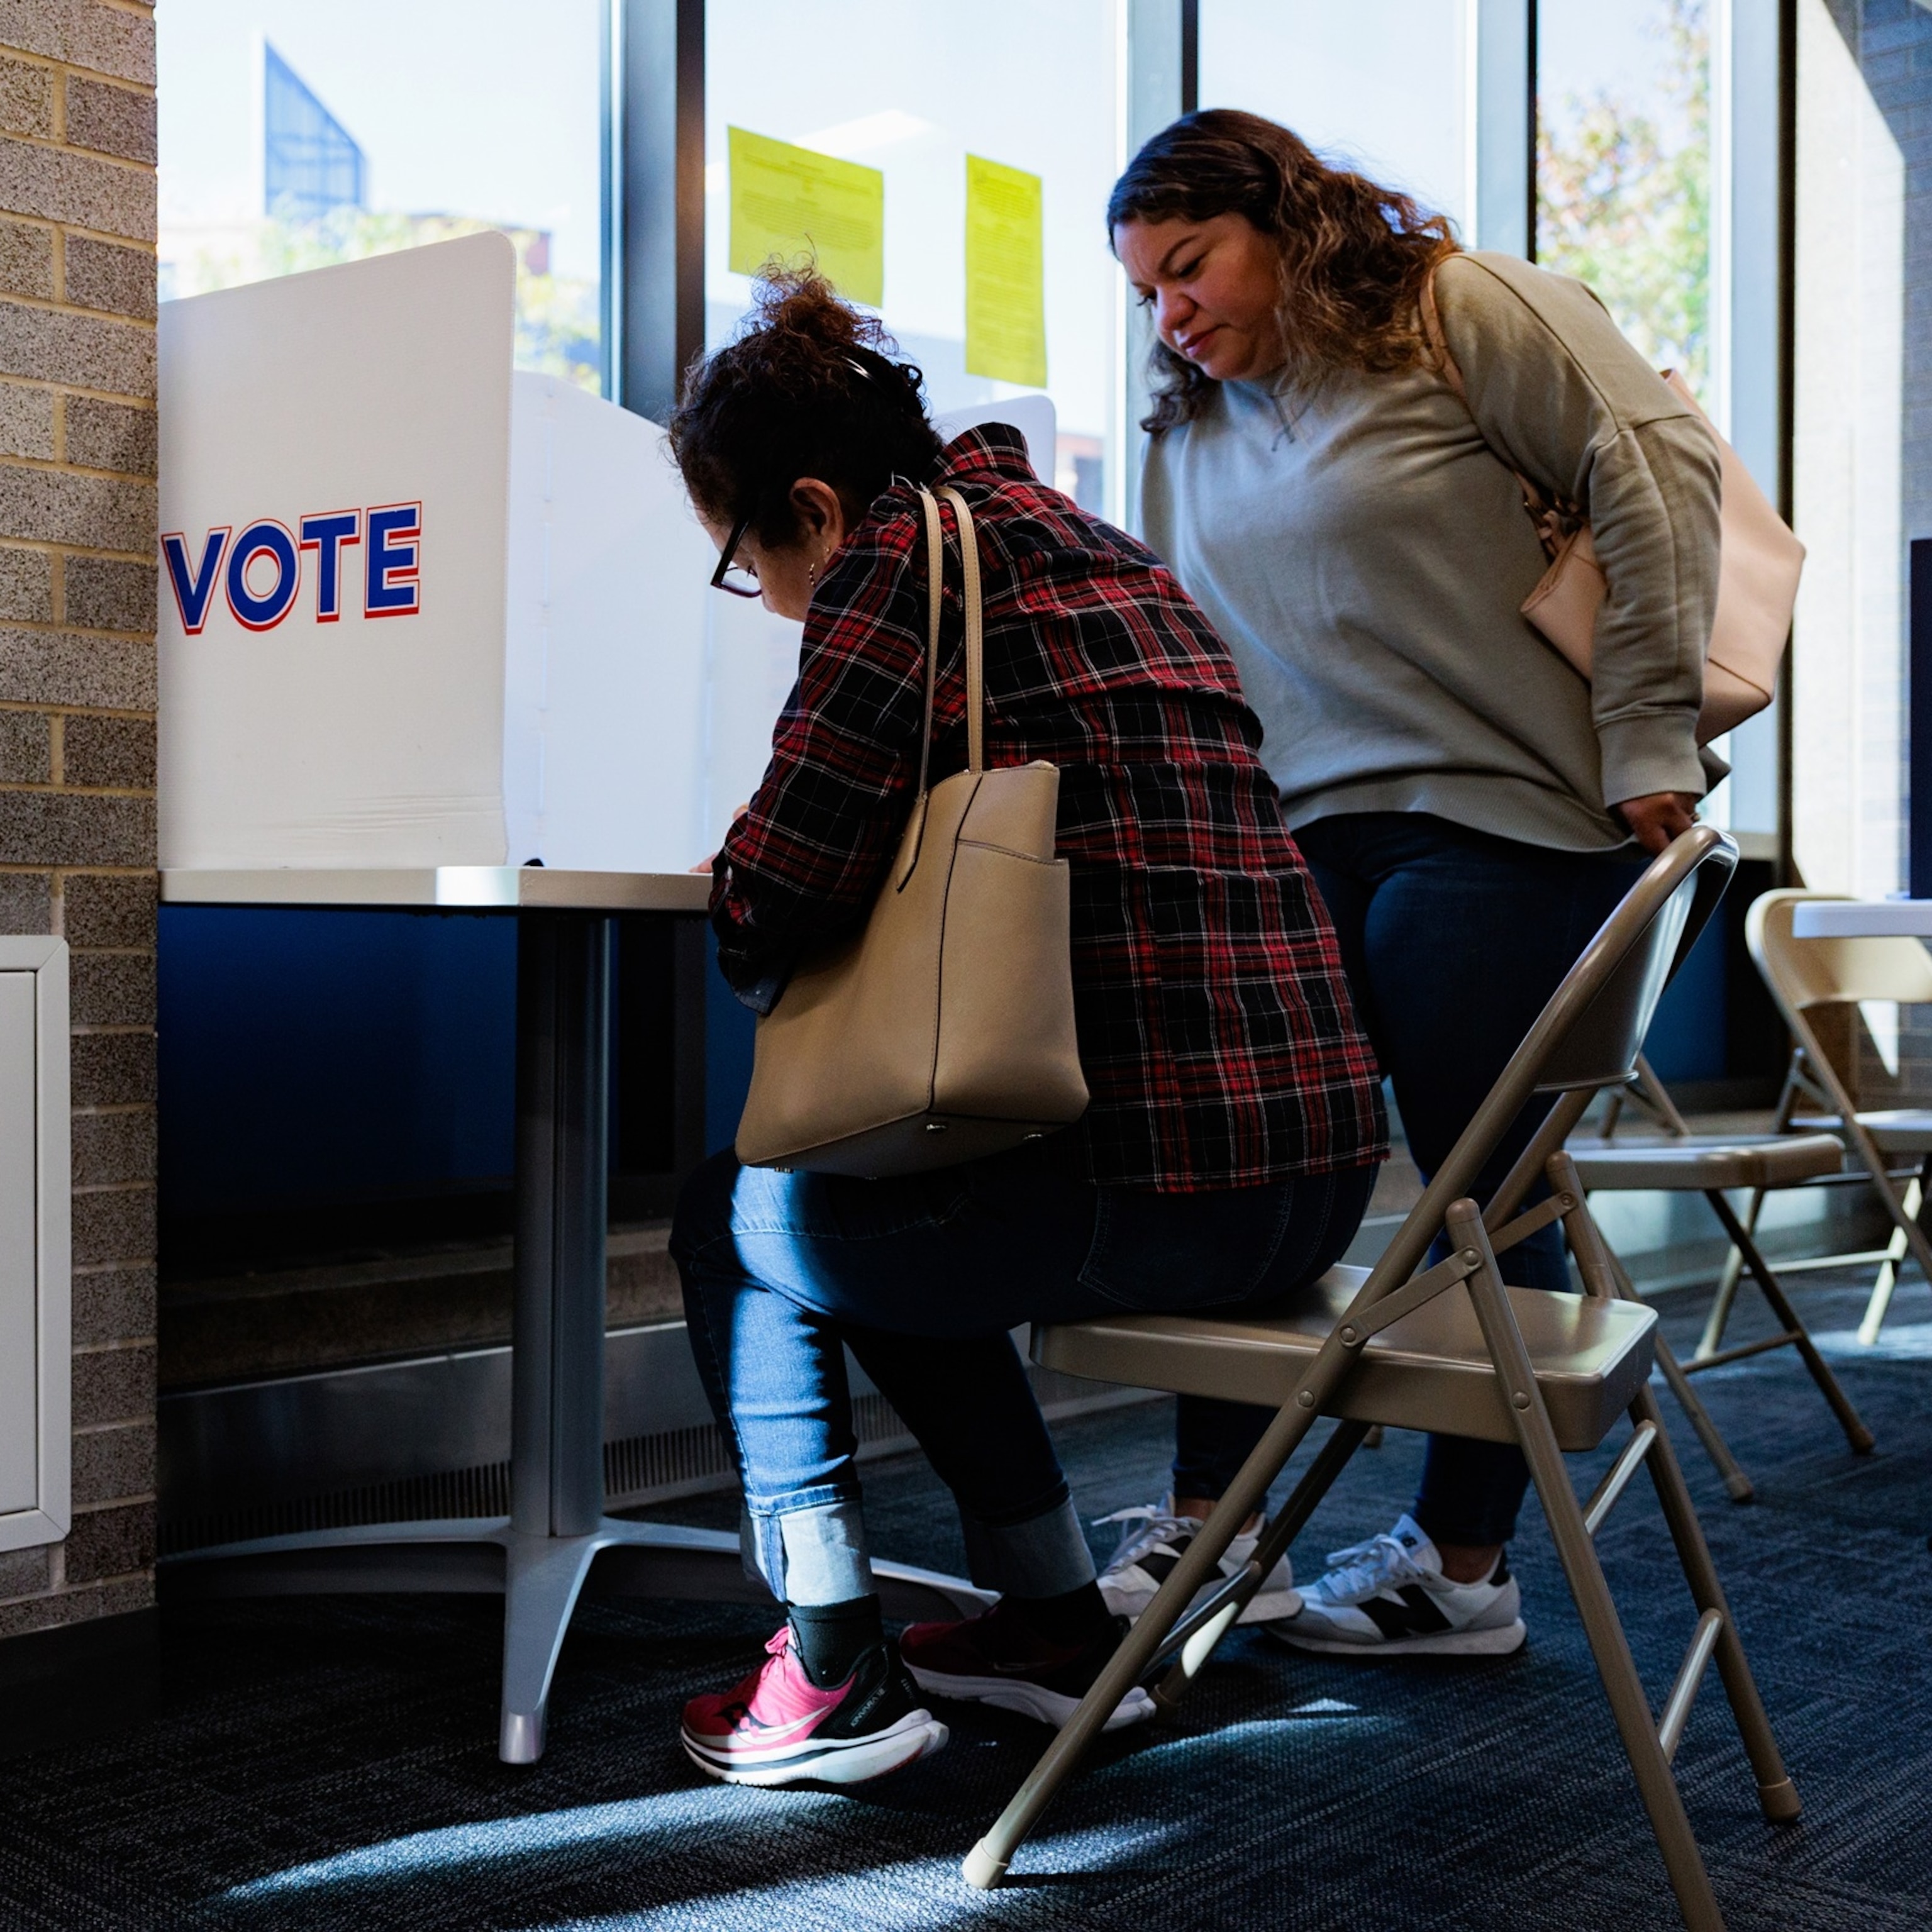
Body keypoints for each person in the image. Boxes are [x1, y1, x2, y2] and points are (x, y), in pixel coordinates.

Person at [664, 267, 1386, 1786]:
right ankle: (1057, 1624)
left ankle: (825, 1661)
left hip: (1149, 1199)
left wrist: (747, 869)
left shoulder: (901, 567)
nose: (767, 599)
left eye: (746, 562)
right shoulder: (1100, 547)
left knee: (745, 1205)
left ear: (809, 503)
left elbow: (769, 904)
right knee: (874, 1191)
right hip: (1320, 1188)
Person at [1096, 109, 1717, 1658]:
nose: (1171, 314)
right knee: (1244, 1170)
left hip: (1498, 817)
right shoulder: (1194, 428)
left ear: (1288, 226)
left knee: (1474, 1192)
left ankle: (1462, 1568)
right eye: (1147, 295)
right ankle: (1214, 1531)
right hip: (1297, 833)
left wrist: (1648, 726)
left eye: (1192, 267)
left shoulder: (1455, 311)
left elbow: (1656, 472)